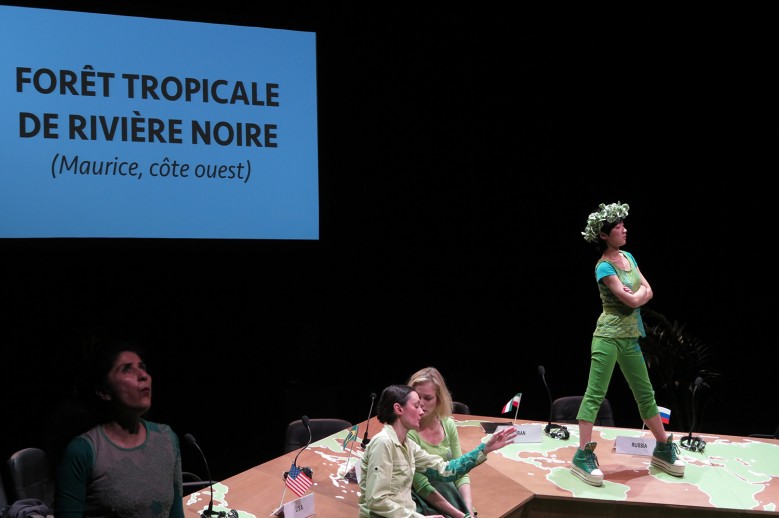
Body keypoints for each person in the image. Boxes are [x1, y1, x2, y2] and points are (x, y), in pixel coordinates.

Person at [574, 202, 685, 486]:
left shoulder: (629, 257)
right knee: (595, 395)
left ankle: (662, 447)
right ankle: (582, 455)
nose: (624, 230)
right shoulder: (604, 267)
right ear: (604, 234)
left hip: (631, 337)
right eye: (618, 227)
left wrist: (638, 294)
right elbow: (633, 299)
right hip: (608, 337)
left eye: (624, 225)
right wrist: (638, 294)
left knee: (645, 394)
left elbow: (648, 290)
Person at [52, 339, 186, 518]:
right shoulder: (83, 451)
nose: (144, 375)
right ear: (104, 391)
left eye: (143, 367)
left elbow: (176, 513)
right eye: (127, 369)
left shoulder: (166, 437)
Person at [358, 384, 517, 518]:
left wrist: (485, 449)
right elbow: (377, 501)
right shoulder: (383, 443)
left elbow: (445, 470)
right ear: (398, 409)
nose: (421, 411)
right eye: (416, 406)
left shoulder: (408, 445)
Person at [406, 367, 473, 518]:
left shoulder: (448, 424)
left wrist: (468, 510)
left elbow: (460, 472)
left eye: (428, 398)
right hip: (422, 500)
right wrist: (459, 515)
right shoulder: (407, 431)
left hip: (450, 495)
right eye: (417, 397)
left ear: (439, 400)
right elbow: (421, 486)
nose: (421, 403)